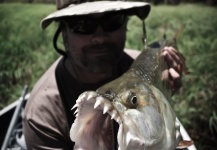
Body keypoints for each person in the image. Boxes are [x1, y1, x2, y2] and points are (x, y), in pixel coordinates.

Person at [23, 0, 184, 149]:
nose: (99, 38)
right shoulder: (41, 117)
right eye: (82, 25)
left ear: (125, 24)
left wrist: (167, 92)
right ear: (63, 32)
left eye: (112, 21)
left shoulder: (139, 63)